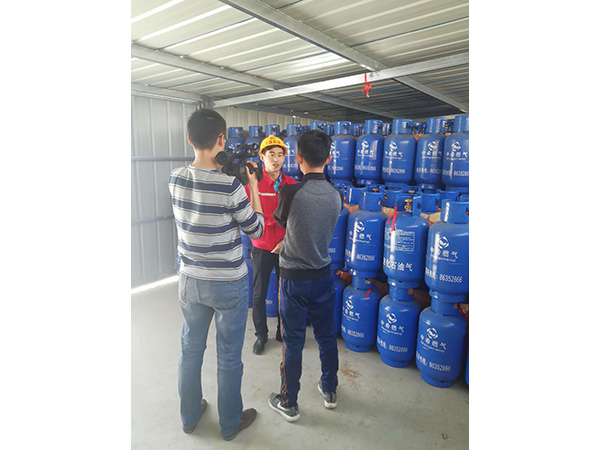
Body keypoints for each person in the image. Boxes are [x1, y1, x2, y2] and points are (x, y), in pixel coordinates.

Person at [168, 109, 263, 441]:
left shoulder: (175, 178)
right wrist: (252, 186)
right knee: (228, 355)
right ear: (222, 139)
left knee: (190, 349)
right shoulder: (231, 186)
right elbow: (256, 229)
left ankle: (189, 416)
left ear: (189, 139)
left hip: (190, 279)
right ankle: (230, 424)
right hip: (227, 282)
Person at [267, 129, 344, 422]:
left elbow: (281, 220)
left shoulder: (290, 192)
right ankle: (330, 389)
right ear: (329, 158)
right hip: (323, 275)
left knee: (294, 340)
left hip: (294, 278)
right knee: (326, 336)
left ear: (298, 158)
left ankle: (289, 403)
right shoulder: (336, 195)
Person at [244, 135, 296, 355]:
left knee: (286, 293)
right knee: (259, 295)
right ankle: (261, 334)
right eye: (271, 155)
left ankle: (282, 331)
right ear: (262, 157)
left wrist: (286, 240)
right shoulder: (253, 185)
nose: (276, 159)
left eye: (280, 155)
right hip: (262, 246)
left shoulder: (291, 185)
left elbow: (297, 218)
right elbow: (248, 216)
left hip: (286, 246)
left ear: (285, 158)